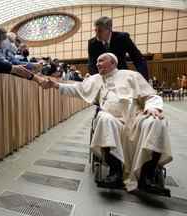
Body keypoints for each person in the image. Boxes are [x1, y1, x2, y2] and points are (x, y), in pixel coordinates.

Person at [41, 52, 172, 194]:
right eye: (97, 61)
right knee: (103, 118)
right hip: (112, 118)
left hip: (136, 117)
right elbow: (76, 89)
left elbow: (151, 96)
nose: (97, 64)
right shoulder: (95, 79)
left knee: (157, 121)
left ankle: (147, 175)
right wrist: (55, 84)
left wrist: (152, 107)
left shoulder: (131, 75)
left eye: (101, 60)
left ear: (113, 63)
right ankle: (115, 172)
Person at [88, 16, 149, 80]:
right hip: (102, 76)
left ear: (109, 29)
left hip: (121, 75)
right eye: (95, 30)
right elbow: (92, 65)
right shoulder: (92, 43)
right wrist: (97, 80)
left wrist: (143, 80)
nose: (97, 34)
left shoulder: (122, 38)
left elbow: (138, 59)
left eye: (100, 31)